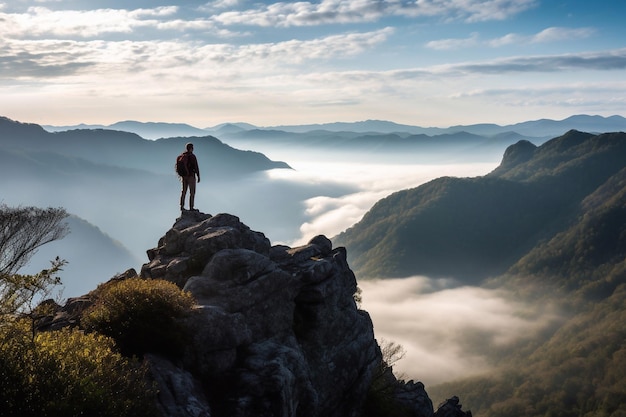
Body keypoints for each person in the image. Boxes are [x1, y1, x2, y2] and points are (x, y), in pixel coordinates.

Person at [179, 142, 200, 211]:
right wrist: (198, 176)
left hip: (184, 177)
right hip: (191, 176)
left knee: (184, 191)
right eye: (192, 148)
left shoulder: (182, 155)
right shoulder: (192, 156)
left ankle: (182, 206)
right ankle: (191, 207)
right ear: (191, 148)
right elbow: (196, 167)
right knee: (192, 192)